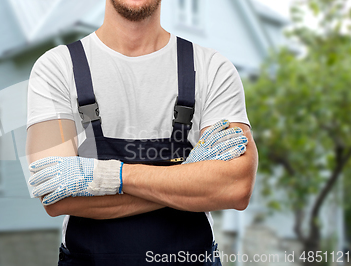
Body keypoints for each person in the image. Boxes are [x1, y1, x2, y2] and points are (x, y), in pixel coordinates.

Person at [25, 0, 258, 265]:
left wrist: (106, 177)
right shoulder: (56, 68)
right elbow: (55, 195)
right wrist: (190, 175)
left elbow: (236, 187)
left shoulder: (212, 68)